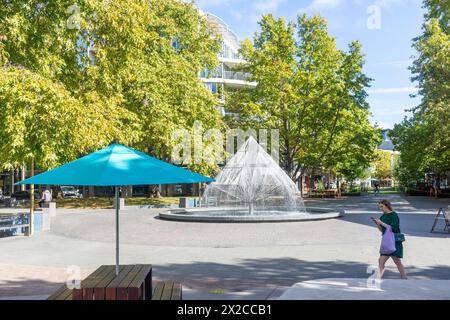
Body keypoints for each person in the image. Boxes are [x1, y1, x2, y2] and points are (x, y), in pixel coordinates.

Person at [372, 199, 407, 279]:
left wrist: (381, 223)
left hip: (394, 241)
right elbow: (382, 230)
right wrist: (378, 224)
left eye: (382, 206)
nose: (380, 208)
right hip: (386, 241)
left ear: (387, 206)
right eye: (379, 207)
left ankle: (404, 277)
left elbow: (393, 228)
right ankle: (378, 278)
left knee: (397, 261)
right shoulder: (383, 216)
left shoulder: (394, 215)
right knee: (381, 260)